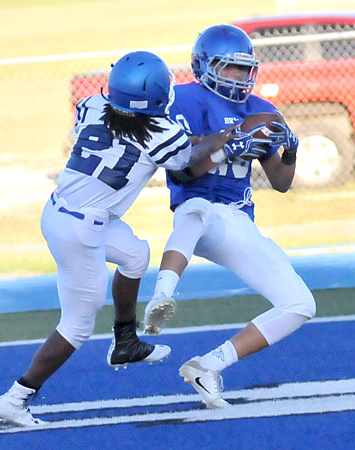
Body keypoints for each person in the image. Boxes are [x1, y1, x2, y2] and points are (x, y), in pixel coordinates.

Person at [0, 50, 251, 426]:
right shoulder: (163, 133)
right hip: (83, 229)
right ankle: (15, 398)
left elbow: (147, 135)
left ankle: (125, 341)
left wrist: (208, 139)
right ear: (160, 96)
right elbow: (188, 161)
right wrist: (225, 141)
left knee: (134, 255)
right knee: (77, 326)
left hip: (62, 210)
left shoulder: (92, 105)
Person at [143, 25, 316, 408]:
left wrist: (289, 153)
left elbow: (282, 183)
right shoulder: (187, 100)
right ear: (204, 67)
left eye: (245, 69)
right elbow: (183, 170)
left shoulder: (262, 111)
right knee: (195, 210)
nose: (240, 78)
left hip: (237, 221)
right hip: (197, 209)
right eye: (230, 69)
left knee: (301, 303)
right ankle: (161, 297)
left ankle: (209, 366)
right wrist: (228, 142)